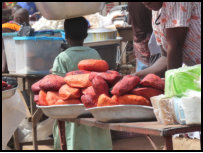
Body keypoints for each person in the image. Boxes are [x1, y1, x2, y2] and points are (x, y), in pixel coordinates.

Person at [52, 17, 112, 150]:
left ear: (66, 35)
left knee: (73, 141)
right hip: (93, 108)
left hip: (71, 110)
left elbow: (57, 85)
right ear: (86, 35)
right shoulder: (94, 53)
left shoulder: (62, 57)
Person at [135, 2, 201, 78]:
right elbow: (166, 56)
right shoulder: (157, 11)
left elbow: (175, 45)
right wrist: (136, 76)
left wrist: (170, 83)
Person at [128, 2, 153, 72]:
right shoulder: (151, 5)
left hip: (139, 39)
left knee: (142, 71)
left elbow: (129, 21)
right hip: (149, 38)